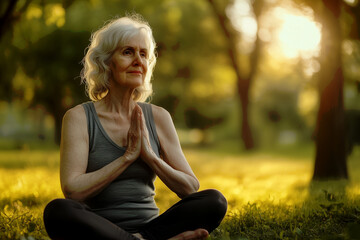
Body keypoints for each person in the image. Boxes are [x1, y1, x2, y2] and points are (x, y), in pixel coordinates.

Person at [43, 13, 227, 240]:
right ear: (106, 62)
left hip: (153, 226)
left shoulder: (159, 117)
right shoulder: (79, 118)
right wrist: (127, 158)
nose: (138, 61)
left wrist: (150, 157)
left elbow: (190, 188)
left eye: (143, 54)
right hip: (100, 227)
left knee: (214, 200)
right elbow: (73, 191)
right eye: (127, 52)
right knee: (58, 211)